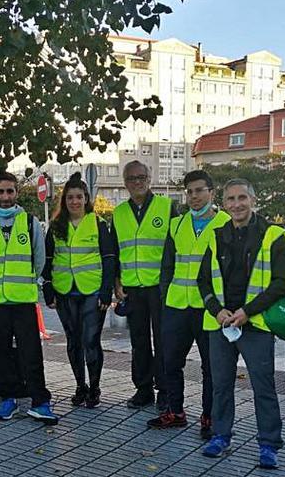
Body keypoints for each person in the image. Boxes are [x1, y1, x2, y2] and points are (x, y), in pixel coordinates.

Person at [197, 178, 285, 469]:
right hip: (222, 324)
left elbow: (282, 282)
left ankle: (269, 444)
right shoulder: (216, 235)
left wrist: (248, 311)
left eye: (242, 198)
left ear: (253, 199)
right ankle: (221, 436)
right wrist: (217, 310)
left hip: (256, 323)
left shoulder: (273, 235)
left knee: (263, 387)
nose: (236, 204)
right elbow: (202, 280)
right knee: (221, 385)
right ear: (223, 204)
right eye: (230, 200)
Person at [150, 170, 229, 437]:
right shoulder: (177, 224)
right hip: (176, 305)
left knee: (211, 366)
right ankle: (176, 411)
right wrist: (165, 297)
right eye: (190, 192)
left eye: (199, 190)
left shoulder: (226, 224)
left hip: (209, 310)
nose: (194, 196)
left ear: (211, 192)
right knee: (170, 362)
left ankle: (209, 416)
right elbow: (167, 266)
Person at [0, 172, 57, 424]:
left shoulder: (29, 222)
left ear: (16, 193)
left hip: (23, 298)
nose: (5, 197)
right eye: (0, 191)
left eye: (10, 191)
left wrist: (27, 281)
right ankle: (8, 399)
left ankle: (40, 401)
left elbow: (39, 258)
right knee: (2, 351)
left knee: (31, 351)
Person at [41, 173, 116, 408]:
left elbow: (109, 258)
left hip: (92, 291)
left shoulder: (98, 223)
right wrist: (48, 287)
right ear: (65, 201)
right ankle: (80, 386)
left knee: (90, 341)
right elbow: (47, 258)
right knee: (73, 342)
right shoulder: (56, 226)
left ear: (86, 199)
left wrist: (106, 290)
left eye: (79, 197)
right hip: (65, 291)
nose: (74, 201)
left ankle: (94, 388)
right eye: (70, 197)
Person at [110, 160, 177, 411]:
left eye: (141, 177)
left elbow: (175, 247)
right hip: (132, 288)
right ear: (125, 183)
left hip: (160, 287)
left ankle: (165, 390)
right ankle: (143, 389)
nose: (137, 182)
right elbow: (115, 251)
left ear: (149, 178)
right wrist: (117, 282)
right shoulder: (118, 213)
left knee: (163, 340)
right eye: (131, 178)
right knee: (138, 341)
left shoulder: (167, 206)